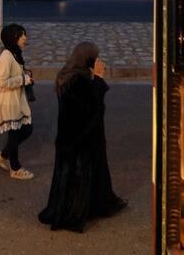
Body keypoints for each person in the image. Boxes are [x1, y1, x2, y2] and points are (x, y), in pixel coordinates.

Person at [38, 41, 127, 232]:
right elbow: (91, 109)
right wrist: (100, 80)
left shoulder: (67, 74)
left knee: (70, 175)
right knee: (80, 175)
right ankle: (75, 212)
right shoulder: (79, 81)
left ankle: (86, 205)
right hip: (81, 138)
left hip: (67, 137)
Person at [0, 23, 34, 180]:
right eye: (21, 35)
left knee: (25, 130)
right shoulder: (6, 56)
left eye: (24, 34)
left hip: (17, 99)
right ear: (13, 38)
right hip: (9, 101)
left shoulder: (15, 54)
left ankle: (3, 155)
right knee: (15, 134)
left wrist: (25, 75)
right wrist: (23, 79)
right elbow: (2, 82)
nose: (25, 37)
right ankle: (15, 168)